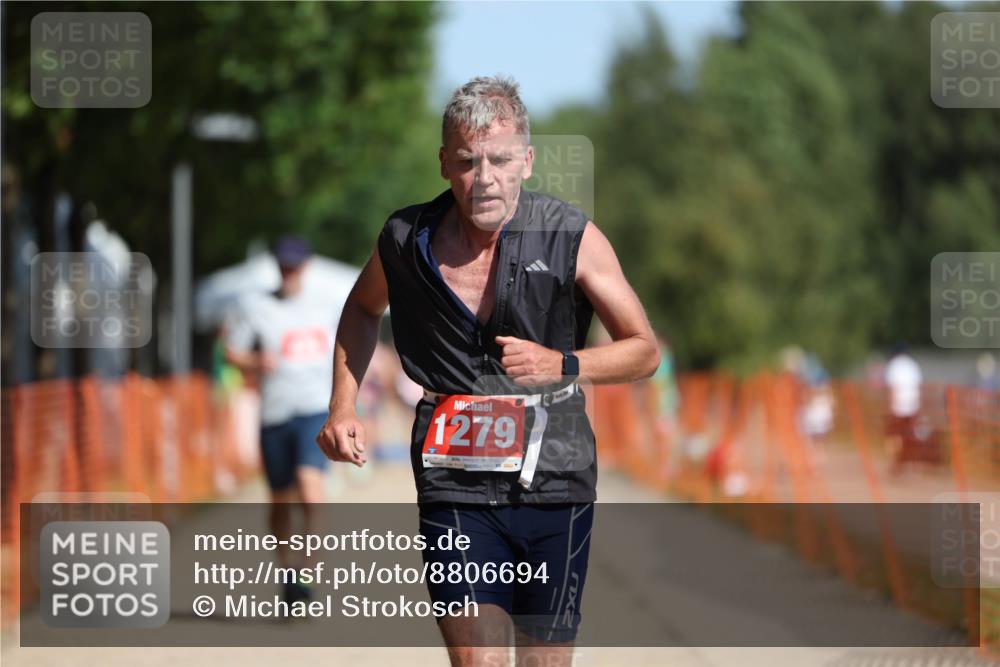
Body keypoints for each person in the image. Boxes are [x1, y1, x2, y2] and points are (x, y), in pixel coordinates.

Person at [317, 75, 660, 667]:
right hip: (454, 479)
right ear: (445, 164)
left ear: (527, 161)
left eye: (500, 159)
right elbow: (362, 308)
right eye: (469, 161)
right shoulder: (404, 239)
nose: (486, 178)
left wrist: (564, 363)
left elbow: (643, 349)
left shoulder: (570, 236)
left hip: (557, 479)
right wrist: (342, 405)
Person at [223, 234, 337, 603]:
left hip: (315, 409)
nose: (289, 272)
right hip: (274, 413)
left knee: (309, 487)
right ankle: (287, 571)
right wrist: (255, 362)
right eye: (283, 265)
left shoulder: (327, 306)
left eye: (294, 265)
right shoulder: (255, 306)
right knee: (280, 501)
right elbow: (231, 352)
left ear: (306, 266)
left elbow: (350, 348)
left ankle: (307, 570)